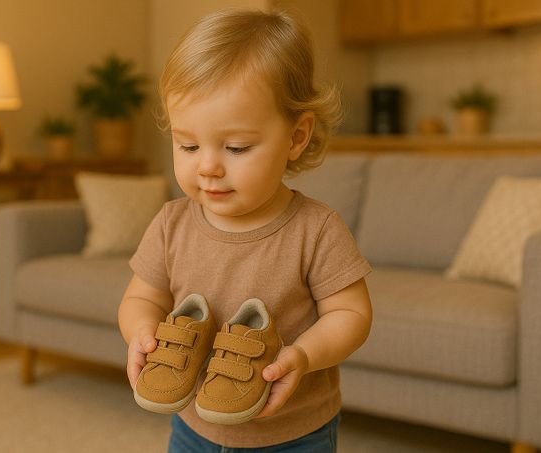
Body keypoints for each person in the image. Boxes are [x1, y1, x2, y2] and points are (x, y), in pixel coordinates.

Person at [118, 8, 372, 452]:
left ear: (297, 137)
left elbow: (351, 315)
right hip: (193, 427)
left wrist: (304, 354)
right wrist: (140, 331)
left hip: (294, 433)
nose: (208, 166)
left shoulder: (316, 229)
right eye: (188, 145)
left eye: (236, 147)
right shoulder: (170, 224)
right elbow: (142, 297)